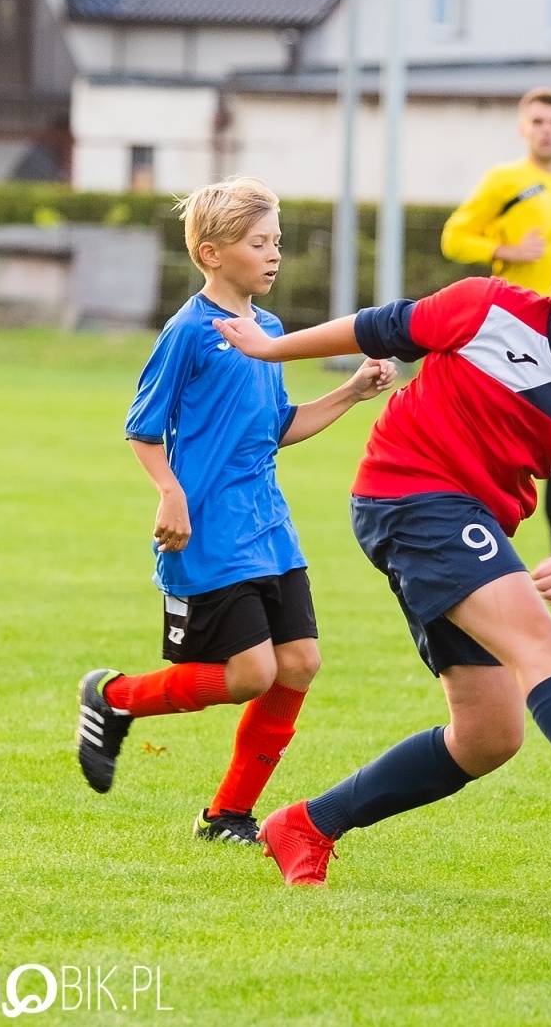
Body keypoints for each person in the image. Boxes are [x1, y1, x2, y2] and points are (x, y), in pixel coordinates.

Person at [213, 208, 551, 886]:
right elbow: (379, 327)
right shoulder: (485, 307)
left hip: (469, 523)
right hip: (408, 494)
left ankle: (307, 824)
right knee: (541, 646)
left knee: (490, 735)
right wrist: (270, 348)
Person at [75, 176, 396, 847]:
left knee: (299, 662)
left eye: (277, 241)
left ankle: (227, 815)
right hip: (208, 532)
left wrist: (351, 391)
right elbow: (142, 428)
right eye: (259, 243)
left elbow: (276, 427)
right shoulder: (187, 332)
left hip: (269, 527)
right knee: (251, 674)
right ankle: (112, 698)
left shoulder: (268, 332)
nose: (274, 254)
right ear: (212, 253)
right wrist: (170, 494)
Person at [441, 87, 551, 582]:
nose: (546, 130)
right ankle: (473, 542)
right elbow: (454, 237)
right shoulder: (504, 180)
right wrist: (506, 249)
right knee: (500, 441)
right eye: (538, 121)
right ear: (522, 127)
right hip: (513, 328)